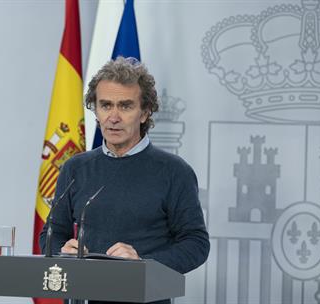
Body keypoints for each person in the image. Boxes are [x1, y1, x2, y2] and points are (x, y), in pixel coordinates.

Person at [39, 57, 209, 299]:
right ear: (95, 110)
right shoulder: (75, 168)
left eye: (125, 106)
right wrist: (62, 251)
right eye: (106, 105)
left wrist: (143, 263)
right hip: (81, 297)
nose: (113, 117)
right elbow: (51, 233)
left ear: (145, 112)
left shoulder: (174, 172)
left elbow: (196, 244)